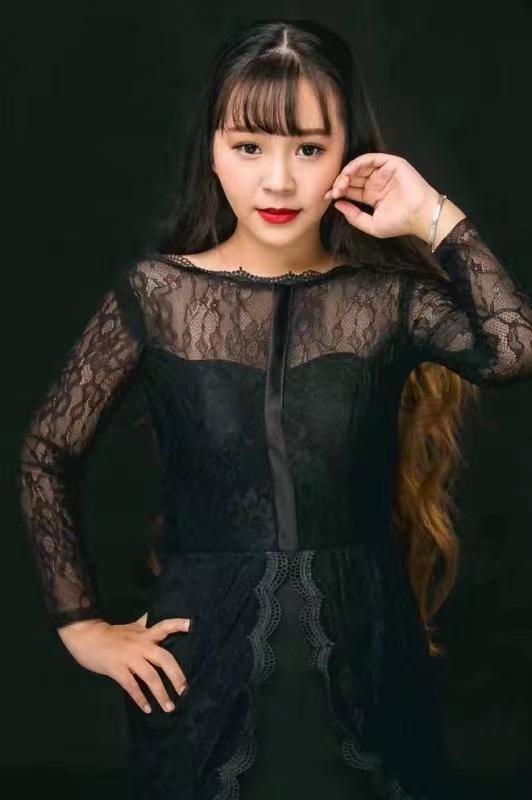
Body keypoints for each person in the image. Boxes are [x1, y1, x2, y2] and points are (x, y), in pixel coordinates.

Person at [17, 17, 532, 800]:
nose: (280, 182)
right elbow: (46, 453)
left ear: (350, 152)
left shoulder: (387, 300)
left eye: (310, 148)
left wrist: (432, 213)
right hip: (198, 687)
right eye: (250, 146)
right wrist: (81, 625)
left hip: (375, 674)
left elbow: (514, 350)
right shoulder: (158, 295)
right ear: (212, 150)